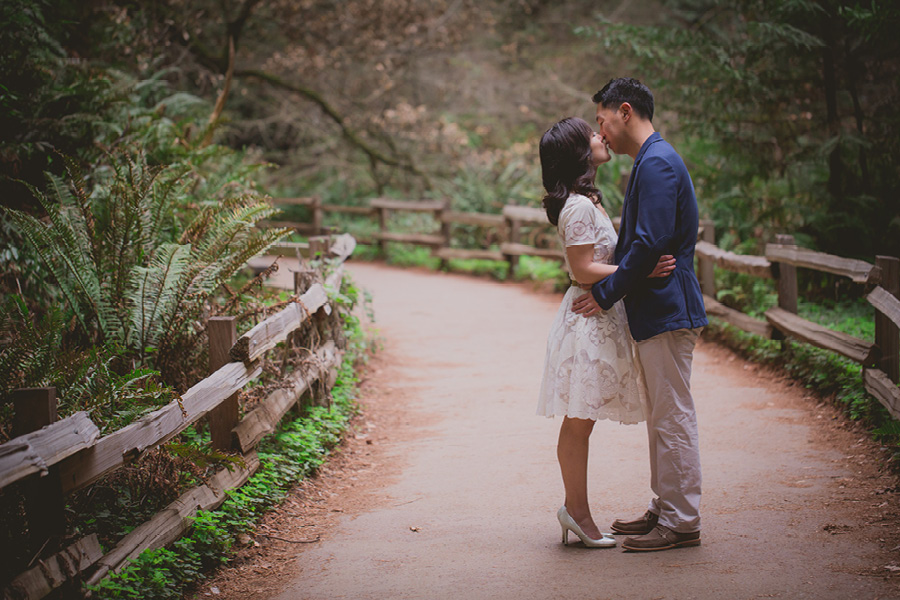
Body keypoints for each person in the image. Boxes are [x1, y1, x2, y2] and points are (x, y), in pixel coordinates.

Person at [573, 77, 708, 552]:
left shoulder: (657, 164)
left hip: (670, 307)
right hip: (658, 307)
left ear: (624, 111)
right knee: (661, 415)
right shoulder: (648, 162)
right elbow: (644, 248)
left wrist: (604, 292)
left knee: (672, 415)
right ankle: (664, 507)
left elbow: (649, 243)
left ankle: (681, 520)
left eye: (602, 119)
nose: (601, 130)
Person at [536, 117, 676, 548]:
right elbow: (581, 268)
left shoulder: (586, 200)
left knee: (583, 421)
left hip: (598, 316)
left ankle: (573, 509)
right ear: (578, 150)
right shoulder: (578, 206)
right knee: (579, 422)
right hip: (586, 322)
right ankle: (576, 512)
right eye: (591, 134)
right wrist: (639, 270)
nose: (601, 137)